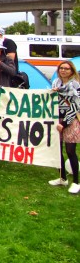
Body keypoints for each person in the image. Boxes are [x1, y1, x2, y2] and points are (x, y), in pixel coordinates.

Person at [49, 61, 80, 194]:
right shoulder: (56, 83)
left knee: (70, 150)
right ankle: (62, 177)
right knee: (57, 150)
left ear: (72, 71)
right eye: (61, 68)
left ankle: (76, 182)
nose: (63, 71)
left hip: (70, 120)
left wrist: (65, 123)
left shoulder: (75, 85)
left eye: (66, 69)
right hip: (57, 119)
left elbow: (76, 105)